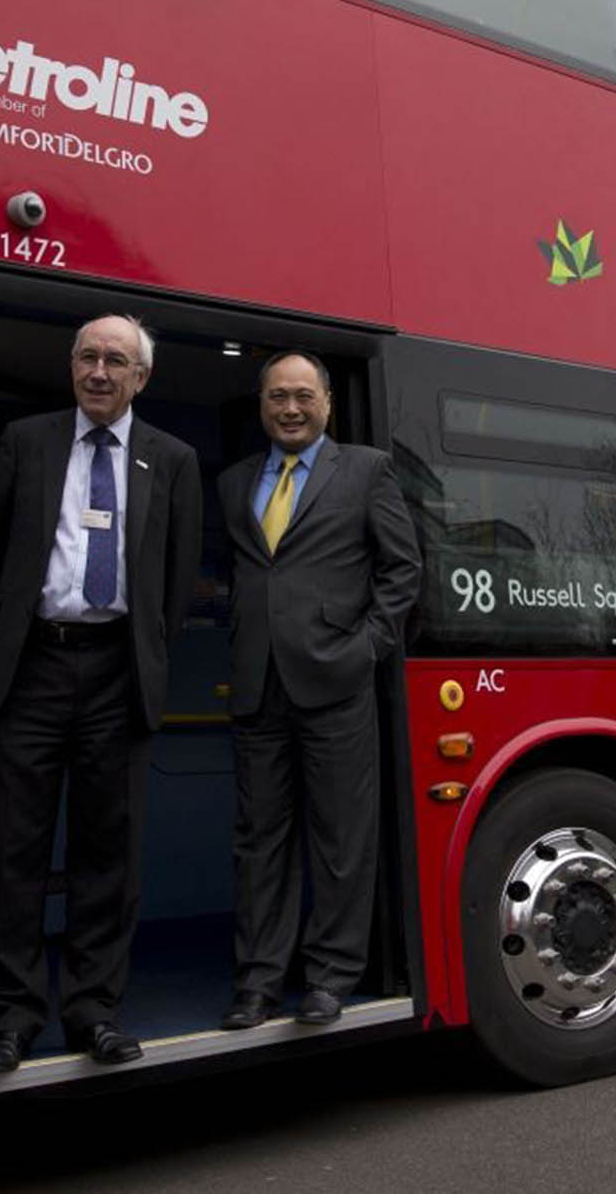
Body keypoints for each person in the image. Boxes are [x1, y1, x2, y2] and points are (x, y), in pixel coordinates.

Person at [0, 314, 202, 1072]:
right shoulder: (26, 443)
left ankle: (94, 1011)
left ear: (142, 378)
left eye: (116, 361)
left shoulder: (174, 460)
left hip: (116, 671)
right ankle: (11, 1017)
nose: (100, 372)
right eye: (88, 357)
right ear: (72, 366)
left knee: (109, 856)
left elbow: (174, 583)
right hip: (30, 666)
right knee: (13, 853)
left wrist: (145, 663)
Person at [217, 350, 421, 1028]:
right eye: (278, 396)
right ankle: (258, 982)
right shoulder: (233, 482)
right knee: (259, 840)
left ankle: (331, 976)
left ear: (328, 403)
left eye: (304, 395)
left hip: (337, 683)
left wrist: (364, 648)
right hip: (256, 686)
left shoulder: (365, 470)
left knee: (341, 839)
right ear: (262, 406)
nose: (291, 408)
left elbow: (402, 570)